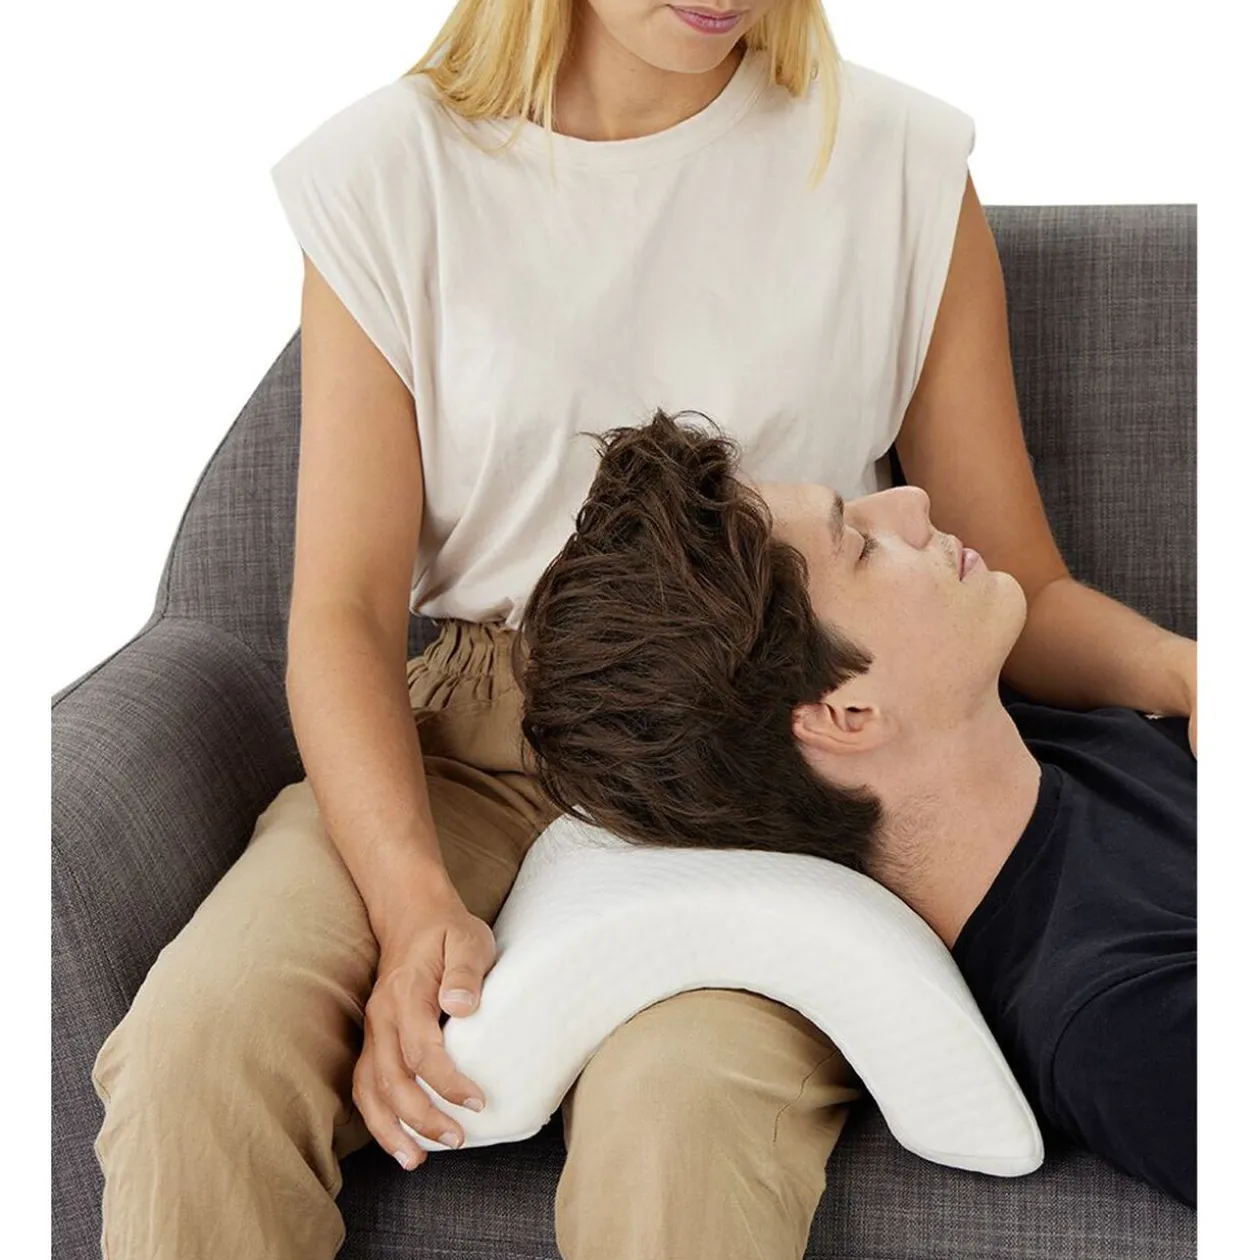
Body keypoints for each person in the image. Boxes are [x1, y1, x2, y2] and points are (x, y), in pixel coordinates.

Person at [89, 1, 1197, 1256]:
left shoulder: (896, 161)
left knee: (682, 1118)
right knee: (199, 1060)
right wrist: (411, 906)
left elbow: (1015, 588)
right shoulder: (391, 173)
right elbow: (342, 613)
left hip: (740, 786)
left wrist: (1191, 675)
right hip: (457, 754)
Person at [515, 409, 1197, 1207]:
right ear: (845, 715)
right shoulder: (1117, 1024)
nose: (910, 501)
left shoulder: (1059, 733)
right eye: (863, 546)